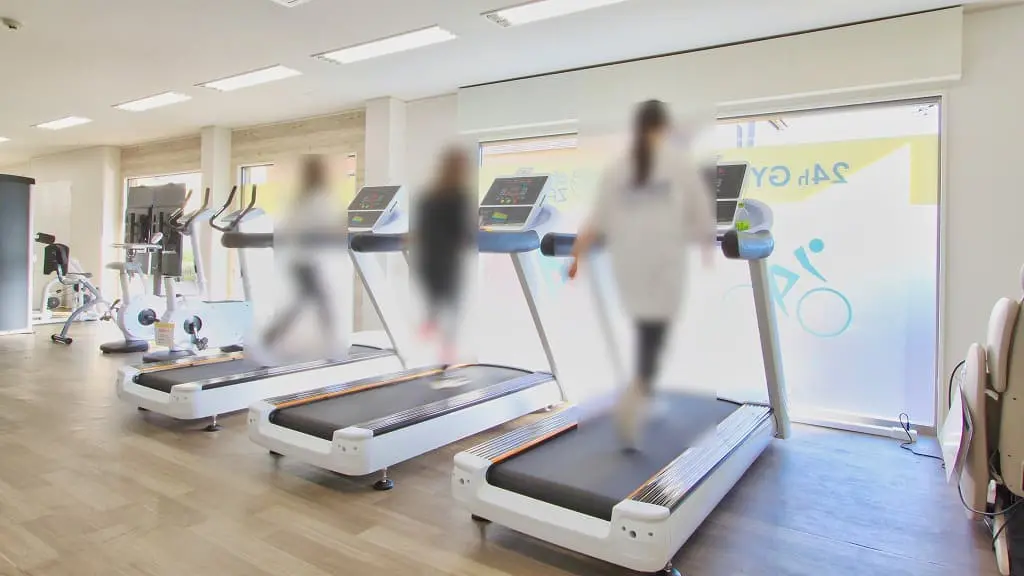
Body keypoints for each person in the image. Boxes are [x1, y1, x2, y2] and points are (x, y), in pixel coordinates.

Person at [569, 99, 716, 449]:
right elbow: (701, 211)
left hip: (627, 264)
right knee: (656, 332)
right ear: (664, 126)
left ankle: (641, 390)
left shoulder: (617, 167)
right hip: (664, 262)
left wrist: (577, 257)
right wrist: (708, 246)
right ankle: (638, 394)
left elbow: (596, 219)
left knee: (644, 328)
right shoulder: (678, 162)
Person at [257, 155, 348, 362]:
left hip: (300, 259)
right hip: (307, 260)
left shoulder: (302, 198)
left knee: (302, 304)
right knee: (321, 303)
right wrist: (342, 224)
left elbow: (300, 225)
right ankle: (333, 348)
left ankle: (268, 340)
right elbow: (322, 225)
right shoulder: (318, 198)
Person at [413, 146, 477, 369]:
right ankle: (447, 355)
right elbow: (464, 233)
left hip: (427, 262)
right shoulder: (459, 196)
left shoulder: (429, 195)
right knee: (454, 309)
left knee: (435, 303)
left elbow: (422, 229)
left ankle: (428, 328)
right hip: (449, 262)